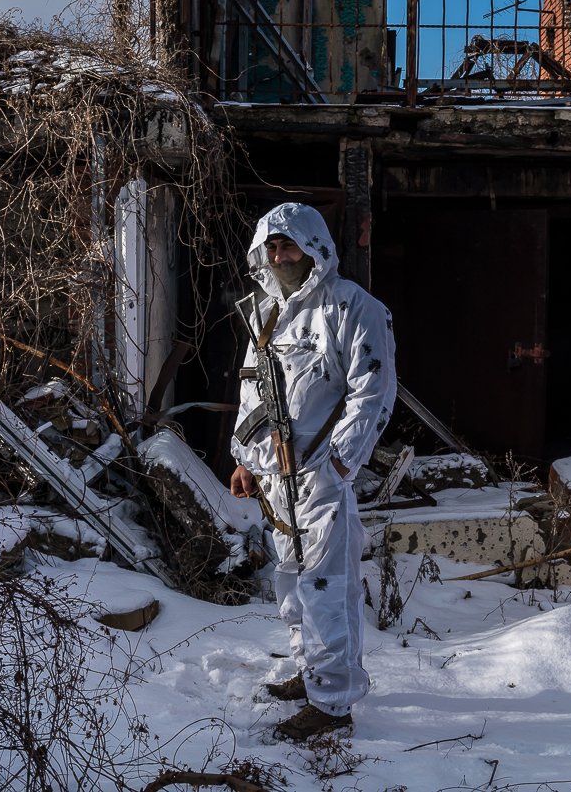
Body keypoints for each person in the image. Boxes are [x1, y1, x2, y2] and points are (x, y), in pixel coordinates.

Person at [228, 203, 396, 741]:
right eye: (272, 247)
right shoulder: (265, 313)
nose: (280, 256)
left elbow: (373, 389)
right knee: (290, 586)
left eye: (289, 245)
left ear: (315, 246)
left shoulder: (352, 307)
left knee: (327, 587)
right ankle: (312, 672)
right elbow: (254, 390)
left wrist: (342, 460)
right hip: (276, 479)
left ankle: (332, 703)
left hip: (321, 476)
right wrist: (245, 459)